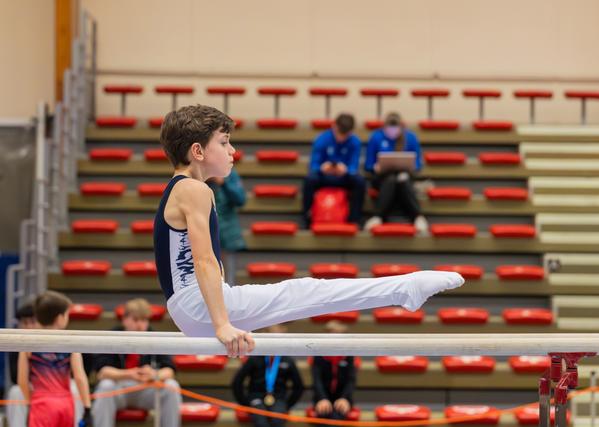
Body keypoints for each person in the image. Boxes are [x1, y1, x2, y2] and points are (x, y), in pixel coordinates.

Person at [154, 105, 464, 356]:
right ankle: (403, 289)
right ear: (197, 151)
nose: (232, 150)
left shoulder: (183, 189)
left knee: (303, 292)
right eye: (224, 143)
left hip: (195, 305)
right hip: (200, 307)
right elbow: (204, 261)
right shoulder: (193, 189)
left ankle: (403, 290)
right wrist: (222, 325)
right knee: (306, 292)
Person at [92, 298, 182, 427]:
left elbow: (170, 370)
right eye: (135, 320)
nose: (140, 325)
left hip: (145, 388)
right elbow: (102, 372)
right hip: (119, 388)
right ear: (125, 319)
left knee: (171, 386)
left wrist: (154, 374)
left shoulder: (155, 337)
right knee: (105, 385)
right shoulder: (112, 336)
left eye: (144, 320)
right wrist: (129, 374)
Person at [17, 291, 92, 427]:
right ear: (60, 318)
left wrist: (30, 402)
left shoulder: (28, 344)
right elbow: (80, 378)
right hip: (65, 404)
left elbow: (22, 381)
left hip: (41, 403)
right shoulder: (71, 343)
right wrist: (87, 408)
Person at [363, 112, 429, 234]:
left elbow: (418, 164)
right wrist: (375, 167)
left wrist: (411, 166)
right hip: (381, 177)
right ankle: (378, 216)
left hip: (405, 176)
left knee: (402, 178)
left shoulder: (410, 138)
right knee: (391, 179)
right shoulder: (376, 137)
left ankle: (417, 217)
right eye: (389, 129)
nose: (392, 132)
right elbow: (368, 164)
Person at [232, 324, 304, 427]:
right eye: (271, 336)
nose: (274, 342)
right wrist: (246, 403)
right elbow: (237, 383)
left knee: (277, 420)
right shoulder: (254, 358)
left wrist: (287, 405)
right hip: (256, 397)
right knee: (261, 422)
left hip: (279, 398)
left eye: (277, 337)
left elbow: (298, 386)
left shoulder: (287, 360)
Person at [302, 113, 365, 227]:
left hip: (343, 178)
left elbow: (354, 166)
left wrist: (346, 170)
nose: (341, 138)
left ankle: (354, 220)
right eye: (339, 134)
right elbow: (314, 165)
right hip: (324, 177)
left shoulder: (355, 141)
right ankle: (308, 219)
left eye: (345, 135)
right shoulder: (322, 139)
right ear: (334, 126)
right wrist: (323, 168)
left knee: (359, 181)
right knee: (309, 179)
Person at [311, 321, 357, 425]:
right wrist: (322, 398)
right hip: (322, 398)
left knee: (337, 418)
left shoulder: (348, 356)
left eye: (340, 336)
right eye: (332, 335)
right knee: (323, 417)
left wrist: (344, 398)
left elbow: (351, 380)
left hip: (342, 398)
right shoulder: (319, 356)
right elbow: (316, 380)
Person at [206, 169, 247, 285]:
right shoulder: (196, 175)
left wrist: (223, 183)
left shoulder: (230, 174)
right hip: (204, 234)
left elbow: (240, 199)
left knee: (228, 281)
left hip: (227, 234)